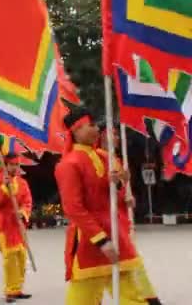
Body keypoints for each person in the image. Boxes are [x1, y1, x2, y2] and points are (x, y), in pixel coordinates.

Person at [55, 109, 145, 304]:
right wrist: (101, 241)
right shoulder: (68, 164)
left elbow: (109, 196)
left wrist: (121, 188)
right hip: (90, 241)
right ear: (76, 130)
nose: (97, 129)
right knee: (83, 299)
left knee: (133, 296)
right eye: (92, 125)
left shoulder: (106, 158)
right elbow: (73, 208)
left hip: (116, 232)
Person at [97, 125, 162, 305]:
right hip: (104, 223)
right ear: (101, 136)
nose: (116, 138)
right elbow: (98, 191)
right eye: (113, 134)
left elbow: (118, 191)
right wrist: (119, 184)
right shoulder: (96, 158)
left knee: (131, 262)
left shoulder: (116, 159)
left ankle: (149, 297)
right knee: (120, 266)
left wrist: (127, 196)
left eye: (118, 134)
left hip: (120, 220)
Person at [0, 153, 33, 303]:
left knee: (21, 256)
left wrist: (23, 212)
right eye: (12, 164)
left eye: (17, 164)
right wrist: (4, 188)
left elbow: (27, 201)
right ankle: (10, 291)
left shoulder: (23, 183)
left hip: (18, 223)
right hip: (4, 222)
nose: (15, 167)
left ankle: (17, 288)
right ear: (5, 165)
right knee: (10, 257)